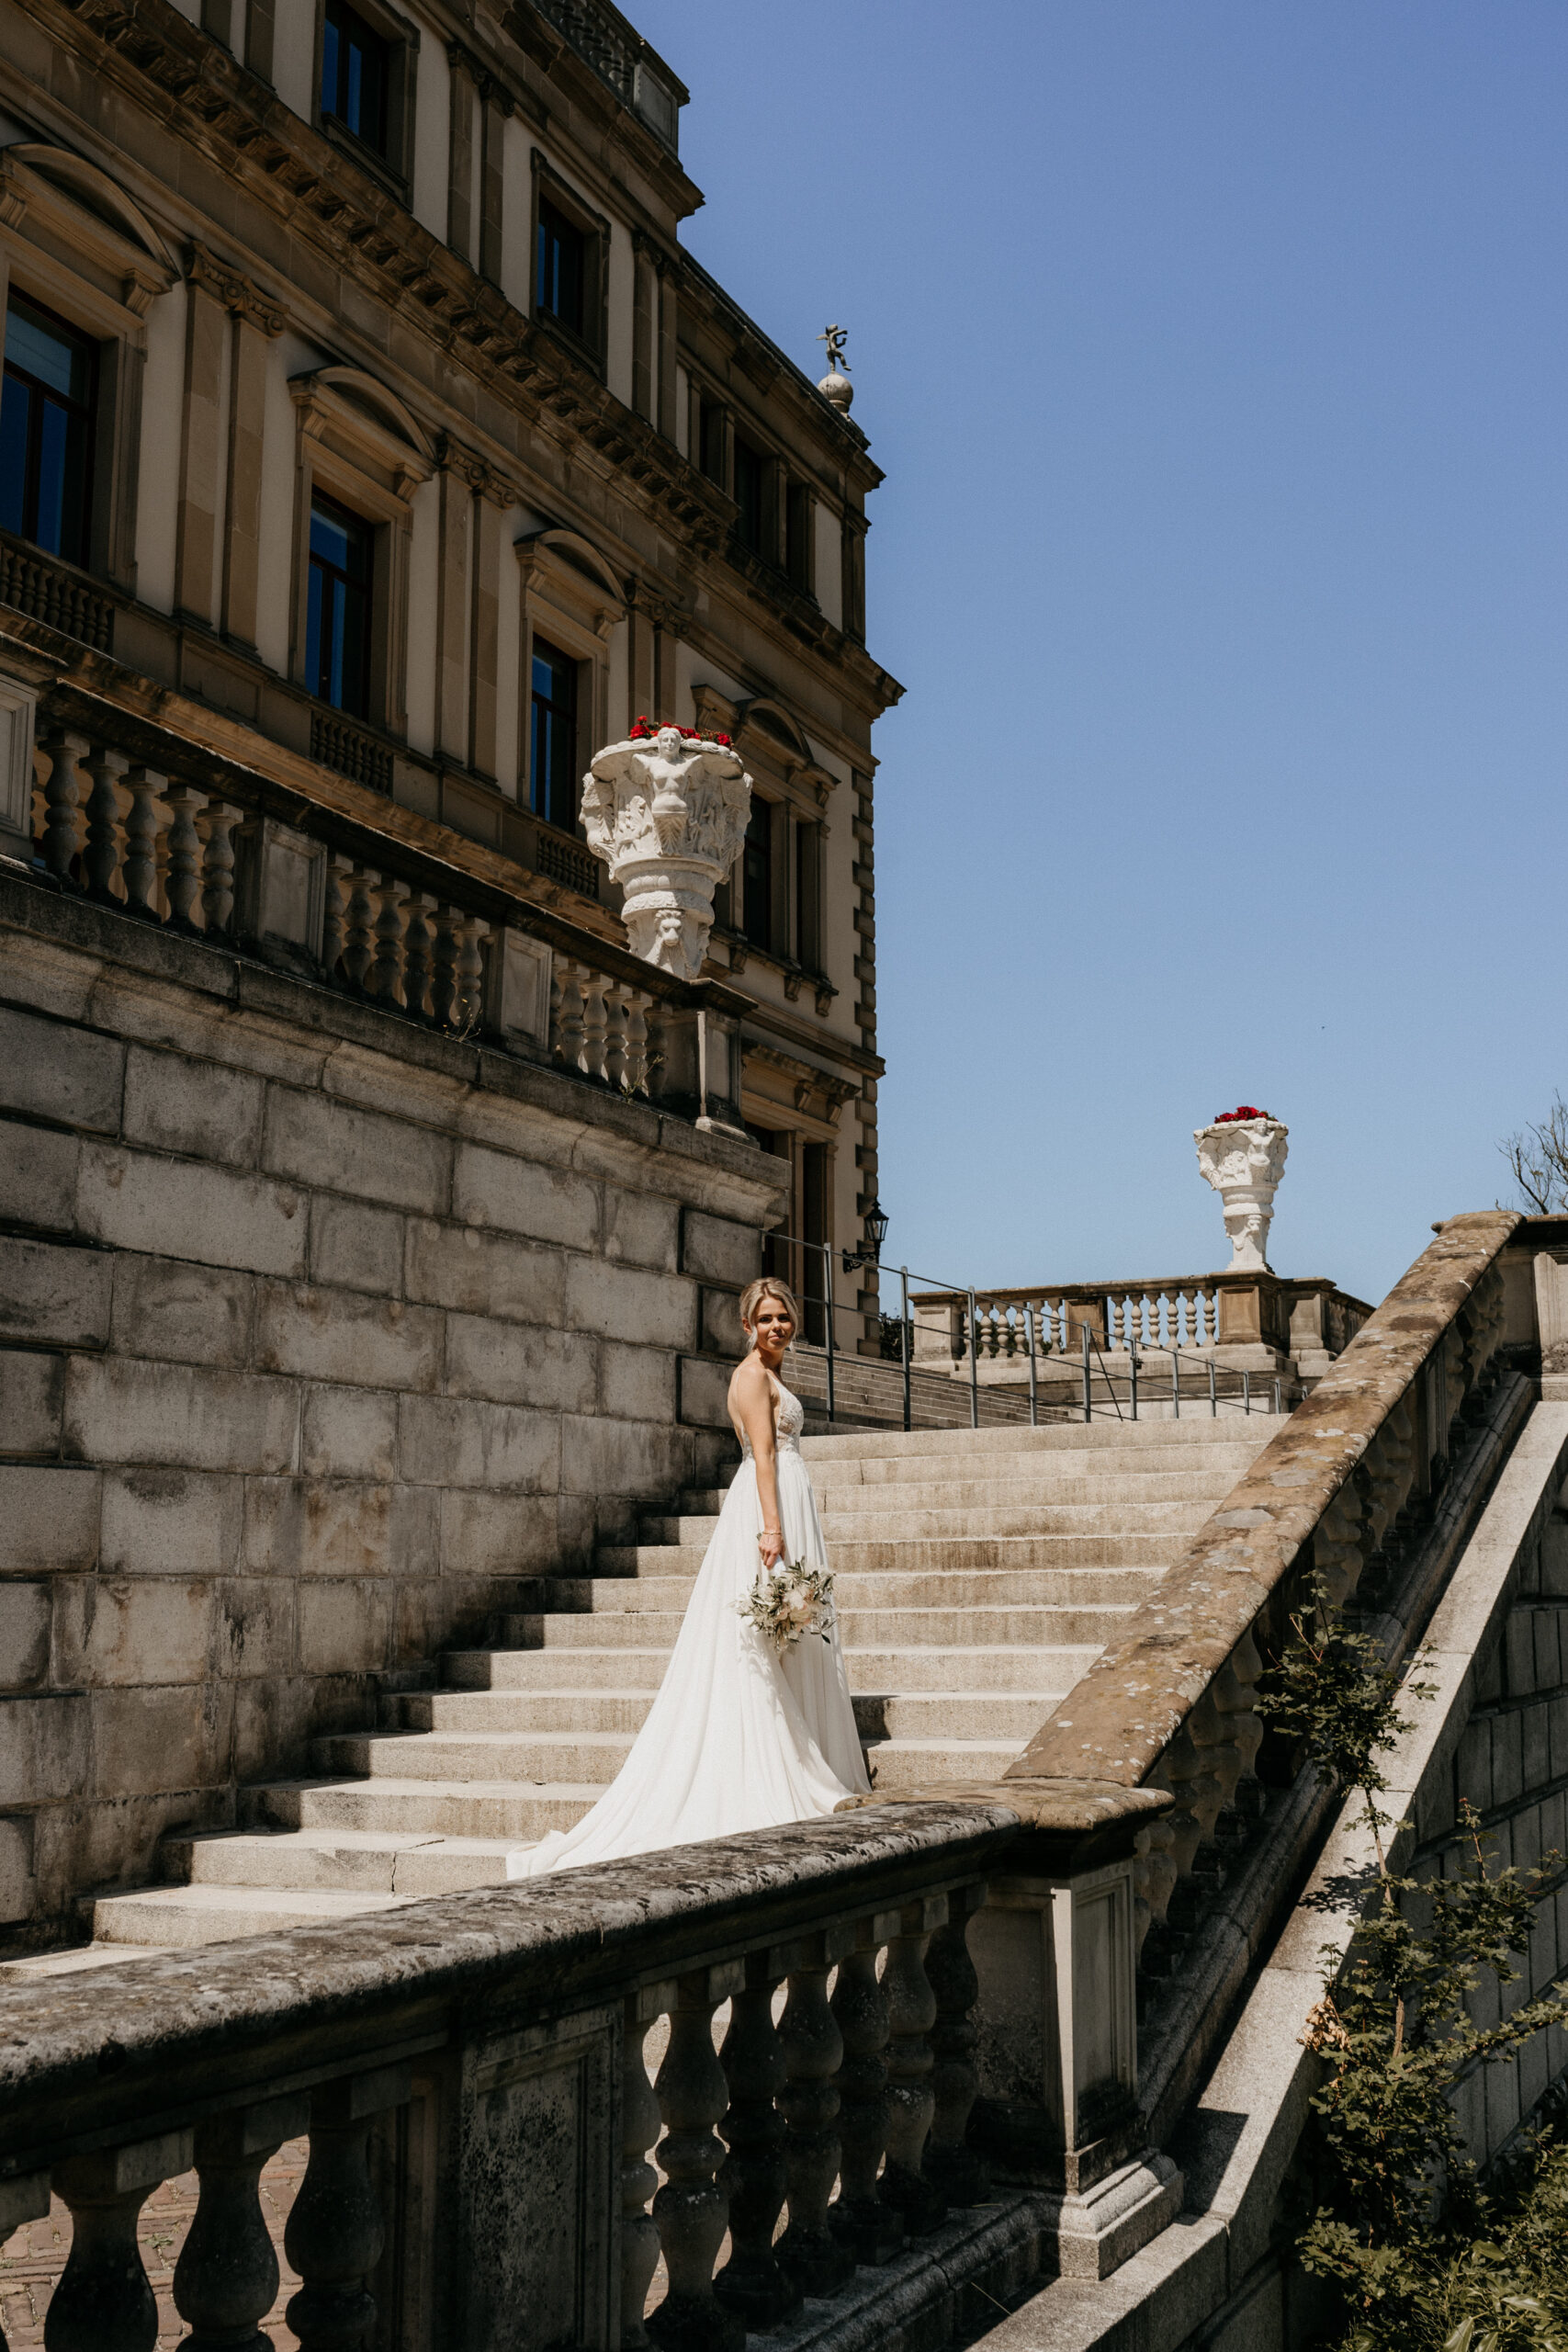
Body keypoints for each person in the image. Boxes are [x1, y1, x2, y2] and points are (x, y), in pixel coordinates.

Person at [507, 1275, 869, 1877]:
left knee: (790, 1636)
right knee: (766, 1637)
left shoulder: (769, 1373)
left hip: (784, 1502)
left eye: (784, 1317)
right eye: (767, 1318)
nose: (777, 1326)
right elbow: (764, 1456)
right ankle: (770, 1766)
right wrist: (773, 1531)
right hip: (769, 1508)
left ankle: (807, 1753)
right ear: (747, 1325)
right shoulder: (751, 1376)